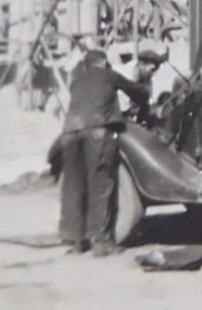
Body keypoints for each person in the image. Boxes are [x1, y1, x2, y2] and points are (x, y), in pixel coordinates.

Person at [55, 48, 150, 256]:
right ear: (105, 63)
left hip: (70, 133)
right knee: (100, 183)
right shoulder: (109, 75)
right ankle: (102, 242)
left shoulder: (76, 80)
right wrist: (145, 98)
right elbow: (138, 91)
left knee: (74, 185)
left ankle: (77, 243)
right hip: (97, 131)